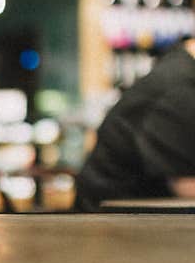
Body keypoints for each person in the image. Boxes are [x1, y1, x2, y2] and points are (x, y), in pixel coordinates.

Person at [74, 37, 195, 211]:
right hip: (108, 228)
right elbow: (188, 187)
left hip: (141, 224)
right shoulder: (178, 91)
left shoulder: (180, 74)